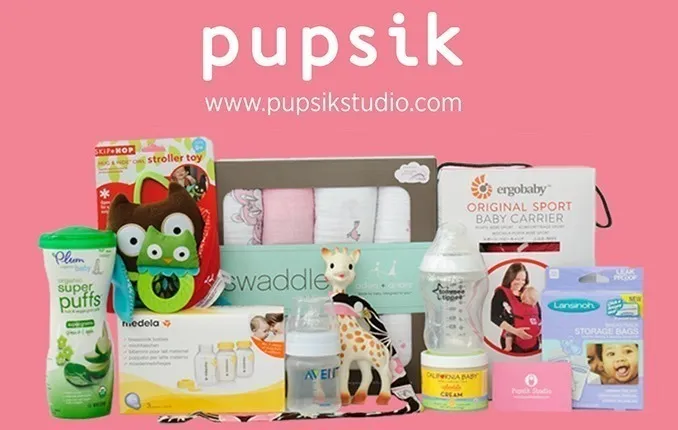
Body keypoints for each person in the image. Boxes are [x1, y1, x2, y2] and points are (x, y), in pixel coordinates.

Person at [490, 262, 542, 353]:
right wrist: (516, 331)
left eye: (523, 280)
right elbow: (494, 317)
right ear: (510, 277)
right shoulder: (501, 293)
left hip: (533, 342)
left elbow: (539, 315)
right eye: (517, 279)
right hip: (513, 341)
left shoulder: (529, 293)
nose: (521, 283)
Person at [503, 286, 540, 352]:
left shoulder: (519, 307)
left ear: (523, 297)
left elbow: (510, 310)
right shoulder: (535, 309)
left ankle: (508, 346)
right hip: (534, 335)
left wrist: (507, 306)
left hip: (520, 338)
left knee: (508, 330)